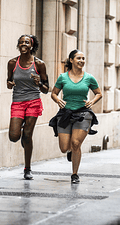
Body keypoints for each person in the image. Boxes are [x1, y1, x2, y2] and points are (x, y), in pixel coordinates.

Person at [49, 49, 102, 184]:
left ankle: (74, 174)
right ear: (71, 60)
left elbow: (99, 93)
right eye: (78, 58)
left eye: (83, 58)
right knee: (64, 147)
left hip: (83, 113)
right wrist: (57, 100)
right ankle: (70, 151)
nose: (81, 61)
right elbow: (54, 93)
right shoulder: (63, 77)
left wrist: (92, 101)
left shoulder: (89, 78)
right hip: (66, 113)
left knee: (76, 143)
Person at [7, 34, 49, 180]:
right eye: (21, 42)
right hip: (18, 101)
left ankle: (27, 168)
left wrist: (39, 83)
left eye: (26, 42)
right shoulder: (12, 63)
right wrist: (9, 84)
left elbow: (46, 89)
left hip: (33, 101)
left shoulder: (39, 64)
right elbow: (9, 82)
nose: (23, 44)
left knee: (27, 136)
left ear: (31, 46)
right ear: (18, 45)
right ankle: (23, 131)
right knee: (13, 137)